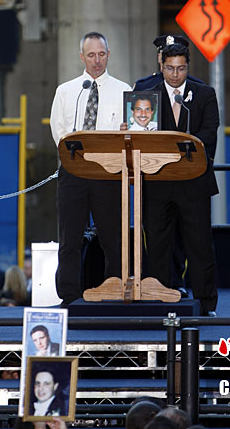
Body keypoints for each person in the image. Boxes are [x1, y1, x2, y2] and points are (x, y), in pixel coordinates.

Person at [50, 31, 131, 306]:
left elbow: (130, 133)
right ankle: (69, 296)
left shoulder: (124, 90)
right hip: (73, 171)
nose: (97, 60)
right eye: (91, 55)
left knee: (113, 237)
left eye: (101, 54)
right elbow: (58, 131)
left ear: (109, 55)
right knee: (69, 237)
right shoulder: (66, 91)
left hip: (108, 172)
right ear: (81, 57)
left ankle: (115, 290)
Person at [143, 43, 219, 315]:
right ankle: (160, 299)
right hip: (156, 183)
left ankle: (206, 304)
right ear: (161, 66)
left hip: (194, 182)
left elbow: (209, 132)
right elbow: (142, 135)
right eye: (170, 68)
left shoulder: (205, 94)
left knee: (200, 245)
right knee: (158, 245)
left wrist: (177, 151)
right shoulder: (146, 96)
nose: (175, 74)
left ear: (188, 67)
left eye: (181, 68)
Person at [134, 34, 204, 91]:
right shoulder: (143, 86)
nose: (175, 74)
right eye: (165, 55)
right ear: (159, 57)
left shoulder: (198, 87)